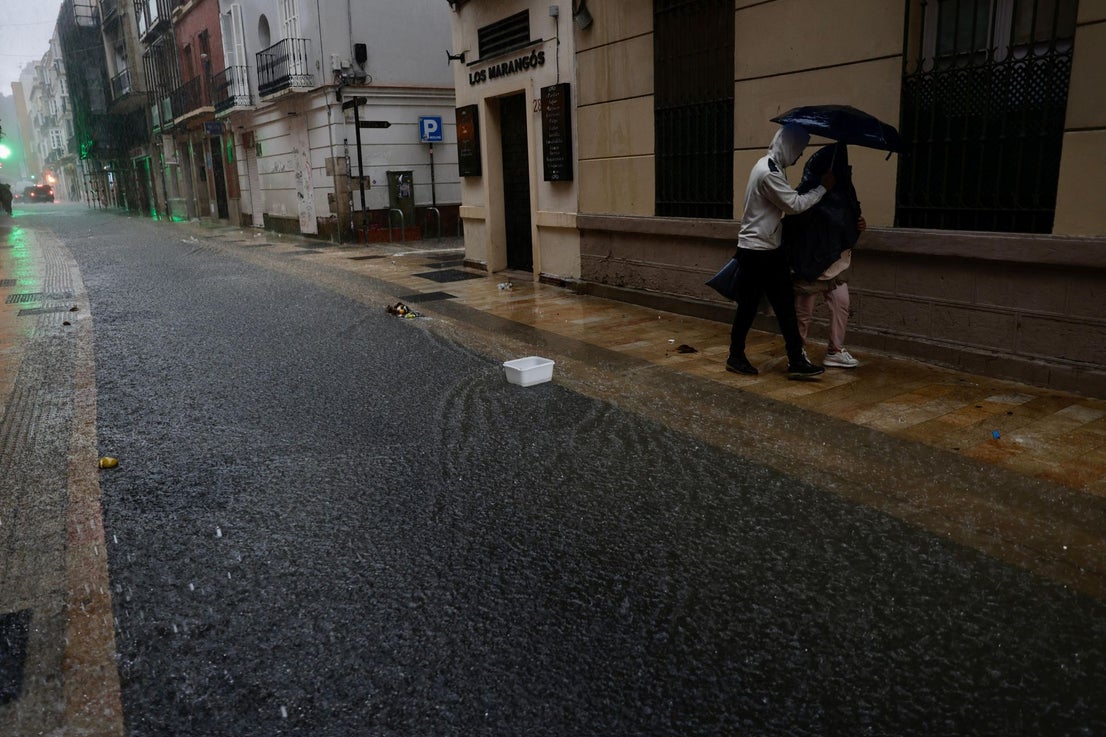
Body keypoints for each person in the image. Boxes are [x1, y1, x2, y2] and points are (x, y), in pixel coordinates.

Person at [727, 123, 833, 379]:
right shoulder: (769, 173)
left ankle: (790, 358)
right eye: (799, 150)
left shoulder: (768, 165)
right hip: (759, 252)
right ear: (790, 146)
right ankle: (742, 356)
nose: (799, 156)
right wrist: (822, 188)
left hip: (763, 249)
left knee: (773, 306)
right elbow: (794, 204)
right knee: (762, 306)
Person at [782, 142, 865, 368]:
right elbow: (795, 222)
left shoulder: (845, 192)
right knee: (803, 313)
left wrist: (858, 225)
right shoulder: (807, 191)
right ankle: (797, 352)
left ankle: (835, 350)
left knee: (841, 304)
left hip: (836, 261)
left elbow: (848, 219)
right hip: (809, 262)